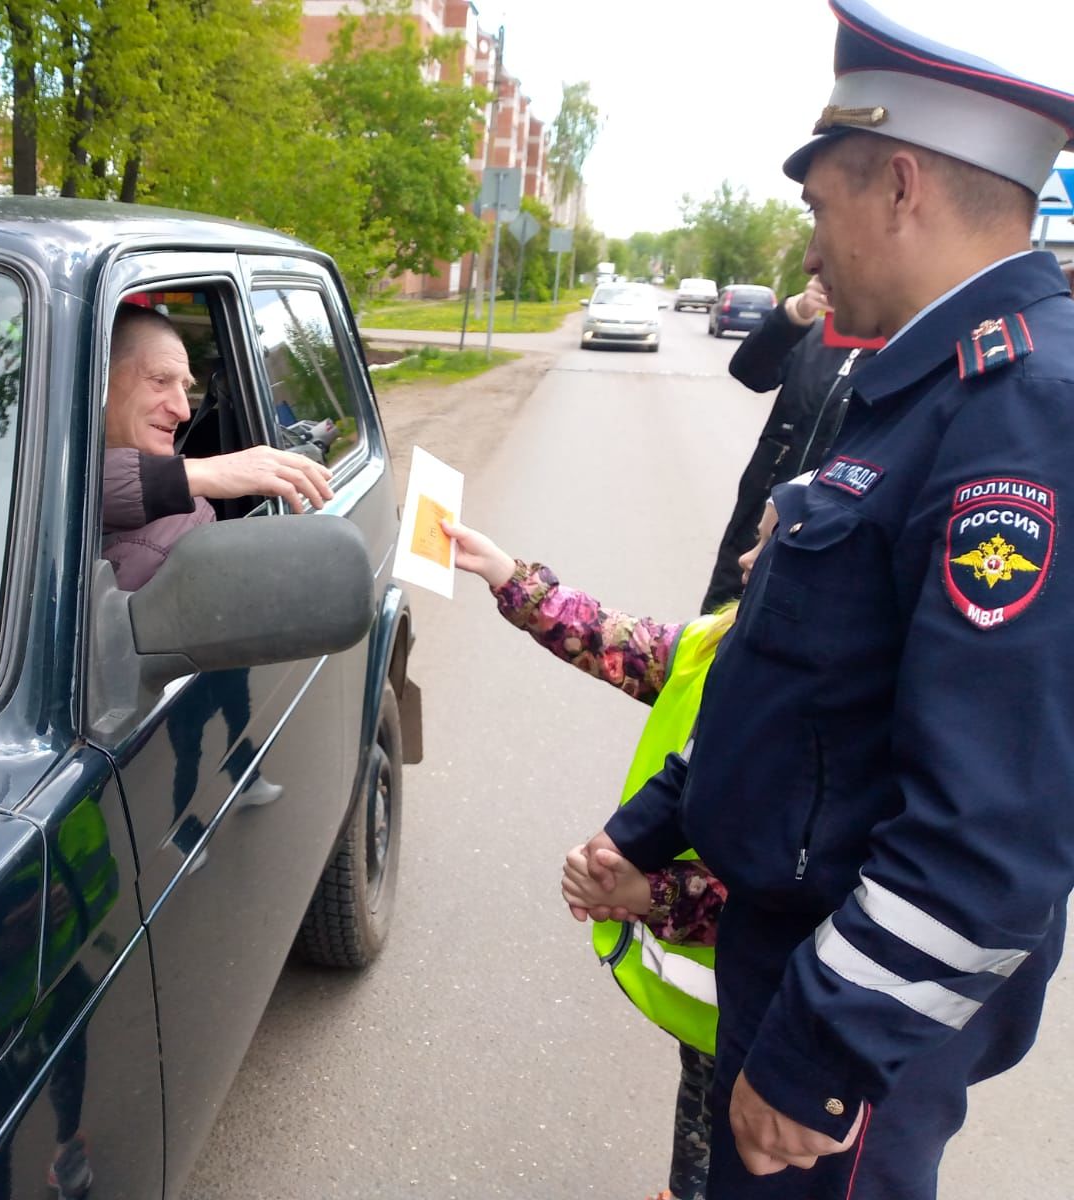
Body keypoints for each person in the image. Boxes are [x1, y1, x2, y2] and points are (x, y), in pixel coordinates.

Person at [576, 3, 1074, 1196]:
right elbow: (801, 685)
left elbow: (990, 835)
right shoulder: (915, 383)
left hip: (845, 1013)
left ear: (898, 184)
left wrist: (819, 1054)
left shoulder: (1022, 411)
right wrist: (647, 825)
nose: (805, 249)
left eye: (815, 206)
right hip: (786, 957)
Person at [443, 505, 778, 1200]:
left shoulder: (817, 706)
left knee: (755, 1155)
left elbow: (784, 892)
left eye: (774, 544)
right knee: (704, 1111)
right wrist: (506, 573)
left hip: (781, 1014)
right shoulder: (720, 641)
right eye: (754, 539)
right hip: (719, 1004)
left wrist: (643, 893)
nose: (745, 561)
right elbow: (609, 637)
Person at [101, 304, 333, 590]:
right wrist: (196, 474)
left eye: (186, 387)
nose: (184, 411)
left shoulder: (184, 522)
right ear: (96, 379)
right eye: (160, 381)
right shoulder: (32, 452)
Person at [700, 277, 883, 613]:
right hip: (760, 514)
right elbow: (749, 371)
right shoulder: (816, 336)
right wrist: (794, 314)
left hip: (825, 531)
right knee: (718, 621)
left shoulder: (900, 356)